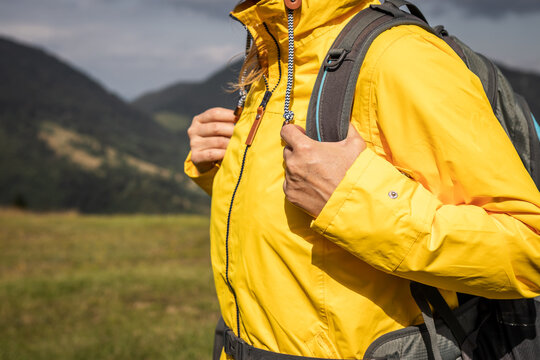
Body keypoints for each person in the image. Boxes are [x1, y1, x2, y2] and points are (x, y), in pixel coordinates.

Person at [185, 0, 540, 358]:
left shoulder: (401, 58)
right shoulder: (276, 57)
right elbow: (287, 221)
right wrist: (220, 165)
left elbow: (529, 247)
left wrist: (350, 200)